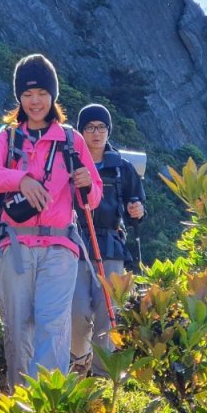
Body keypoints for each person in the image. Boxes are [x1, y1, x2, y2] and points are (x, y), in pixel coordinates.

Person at [0, 54, 102, 391]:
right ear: (19, 97)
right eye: (28, 94)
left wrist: (86, 182)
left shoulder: (71, 140)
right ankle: (20, 411)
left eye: (42, 93)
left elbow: (93, 199)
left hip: (60, 247)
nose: (35, 101)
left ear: (53, 96)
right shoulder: (9, 137)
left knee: (52, 326)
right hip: (15, 245)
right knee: (17, 329)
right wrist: (20, 181)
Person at [71, 103, 145, 377]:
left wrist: (137, 210)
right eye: (90, 127)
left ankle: (102, 379)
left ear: (108, 130)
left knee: (107, 313)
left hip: (111, 245)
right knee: (76, 310)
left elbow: (137, 207)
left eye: (101, 127)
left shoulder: (122, 168)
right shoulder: (70, 163)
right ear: (81, 131)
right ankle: (80, 363)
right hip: (76, 244)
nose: (96, 133)